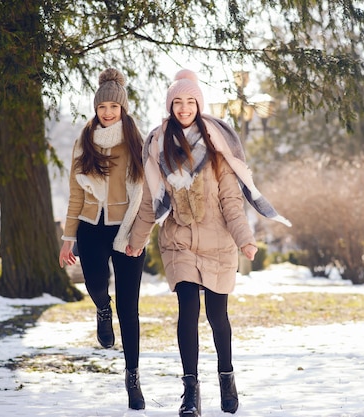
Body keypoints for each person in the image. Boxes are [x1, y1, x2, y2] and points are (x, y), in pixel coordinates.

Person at [126, 69, 291, 417]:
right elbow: (149, 200)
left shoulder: (217, 148)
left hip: (218, 241)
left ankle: (227, 379)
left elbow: (232, 202)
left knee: (218, 316)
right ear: (170, 105)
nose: (184, 108)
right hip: (179, 240)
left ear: (198, 105)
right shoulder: (159, 146)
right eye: (178, 102)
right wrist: (137, 240)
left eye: (190, 101)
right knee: (188, 308)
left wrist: (245, 240)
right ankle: (190, 392)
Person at [58, 68, 147, 410]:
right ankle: (101, 309)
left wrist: (138, 233)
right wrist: (68, 239)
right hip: (91, 227)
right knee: (95, 284)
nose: (107, 112)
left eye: (114, 106)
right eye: (102, 107)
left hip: (126, 228)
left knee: (131, 308)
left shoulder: (136, 141)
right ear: (95, 109)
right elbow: (75, 195)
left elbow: (146, 192)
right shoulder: (84, 142)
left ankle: (133, 377)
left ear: (123, 108)